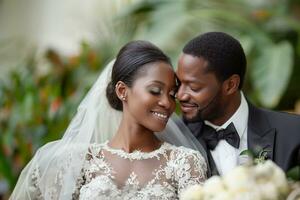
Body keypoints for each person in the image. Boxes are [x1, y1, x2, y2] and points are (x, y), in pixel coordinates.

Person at [10, 40, 207, 200]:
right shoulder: (79, 161)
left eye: (172, 94)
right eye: (155, 91)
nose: (167, 102)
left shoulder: (185, 163)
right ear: (122, 91)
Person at [176, 31, 300, 177]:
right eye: (178, 83)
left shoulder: (294, 133)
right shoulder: (171, 138)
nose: (180, 95)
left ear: (230, 85)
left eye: (194, 87)